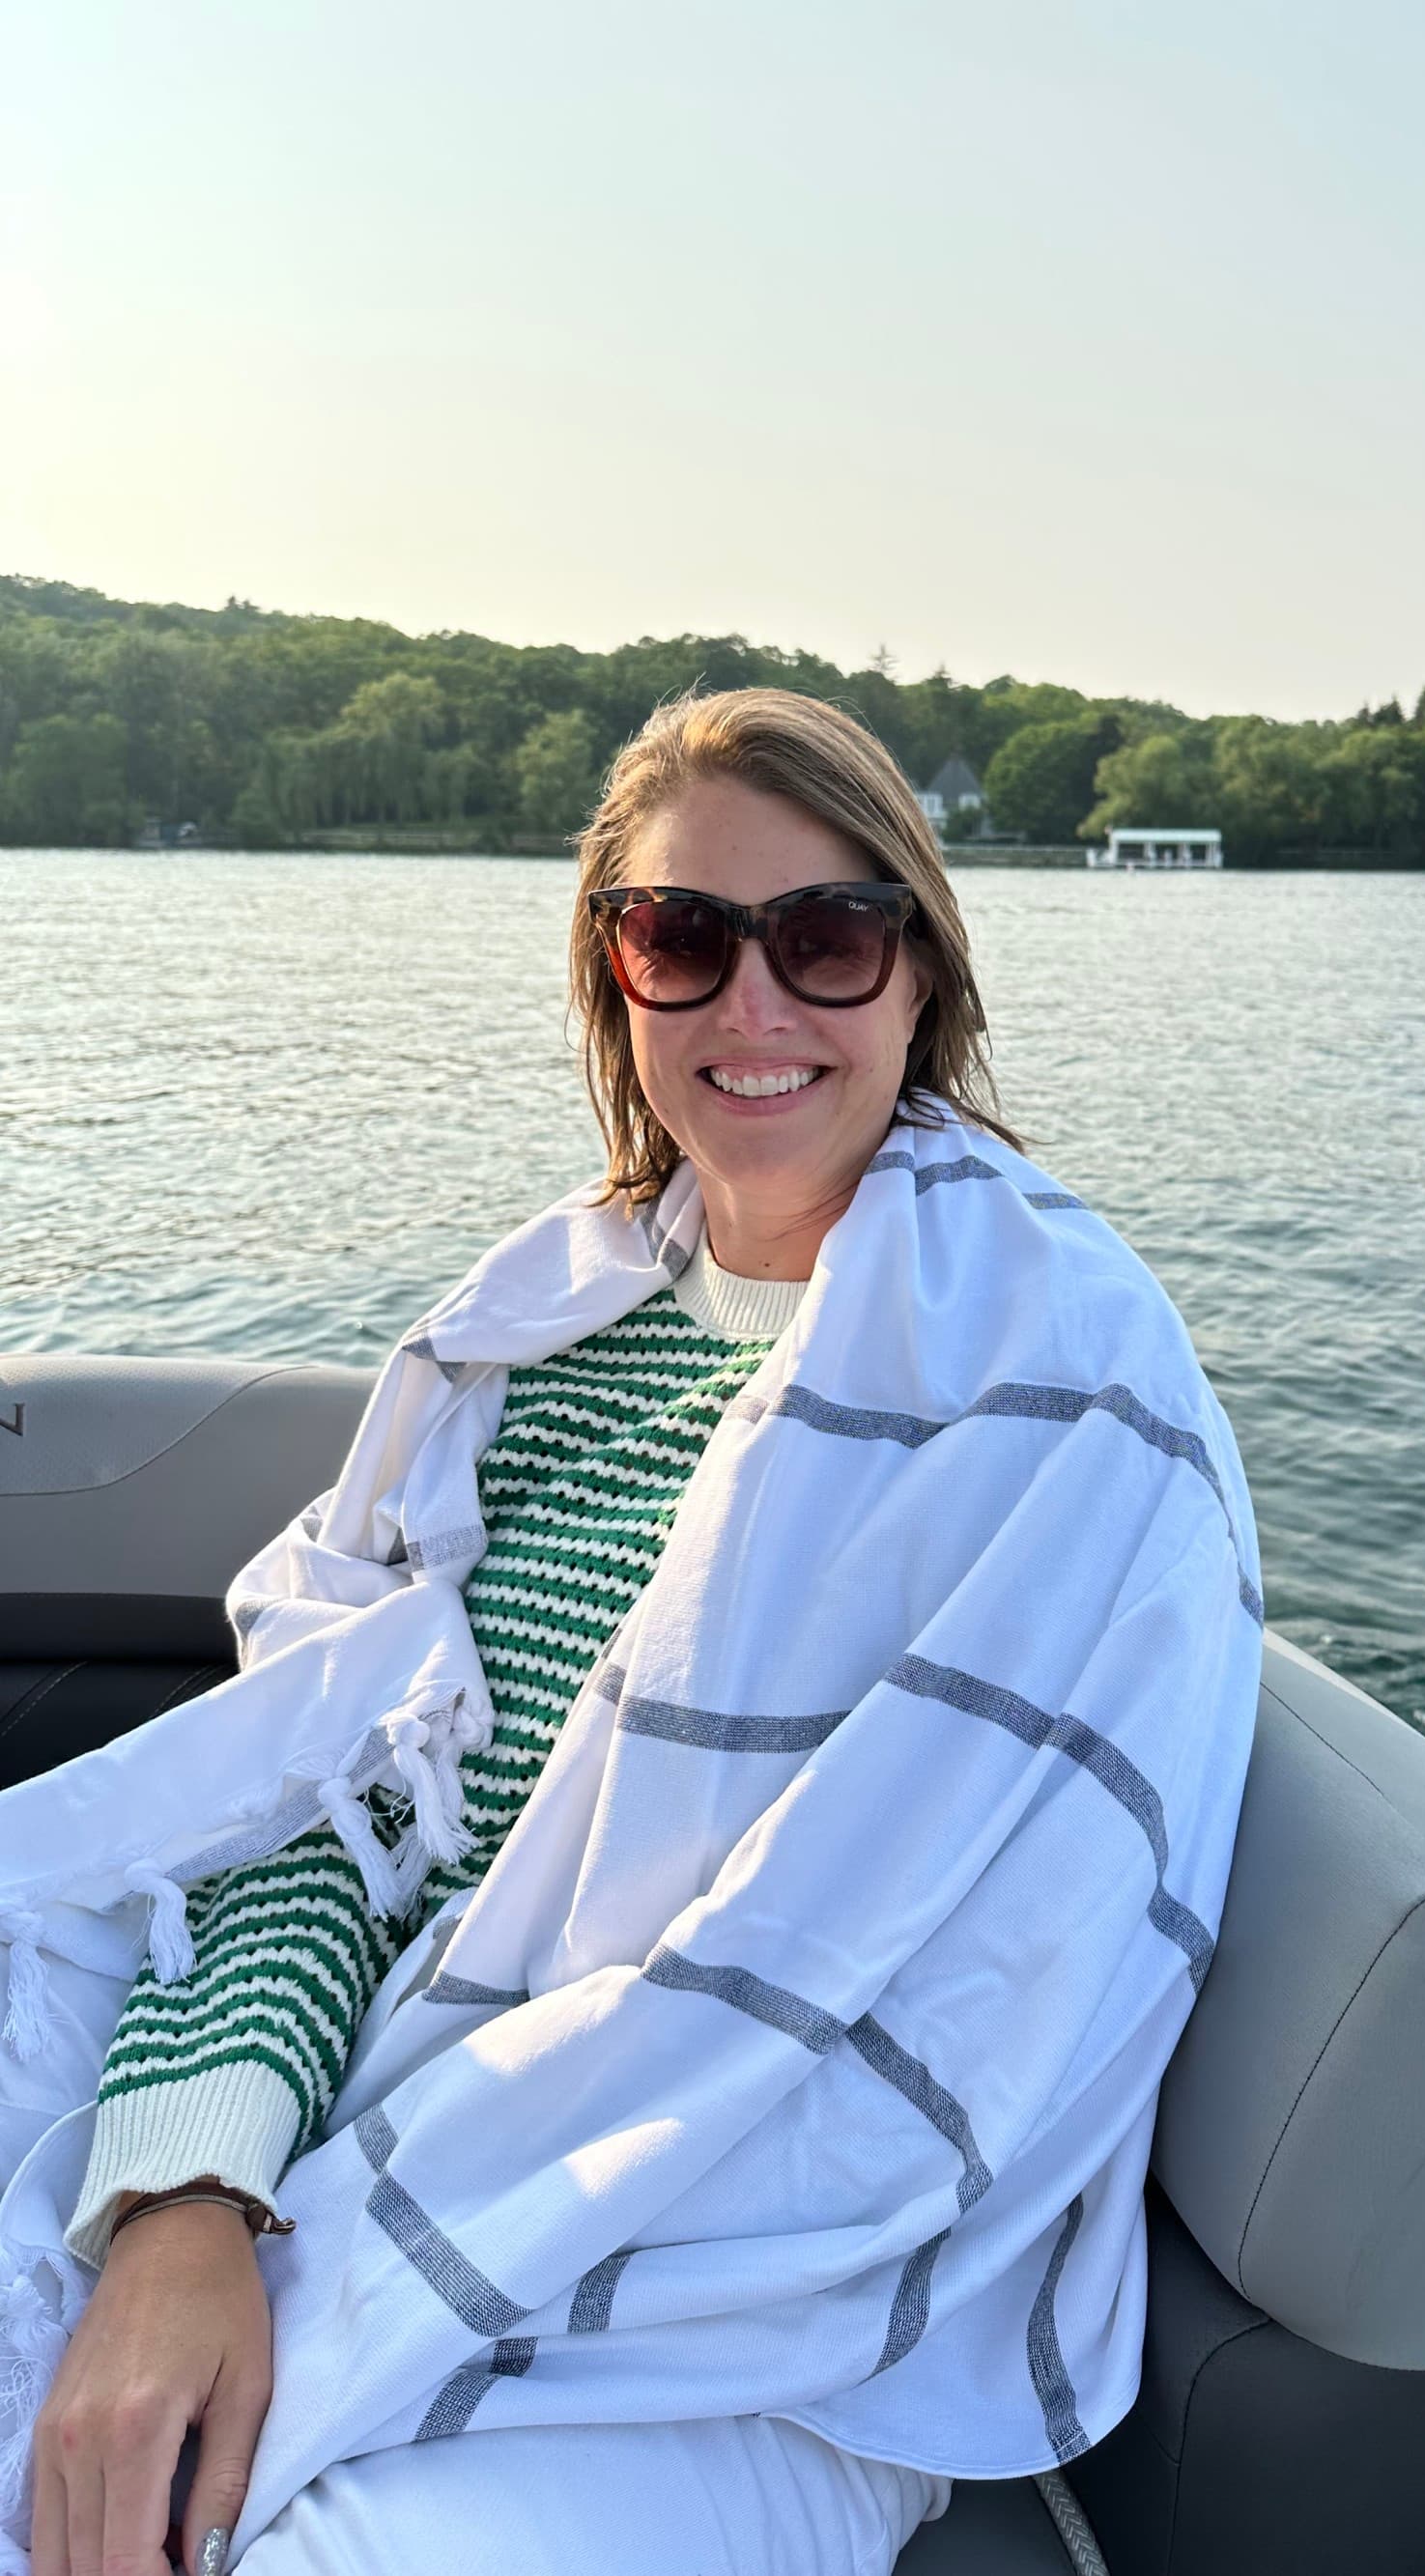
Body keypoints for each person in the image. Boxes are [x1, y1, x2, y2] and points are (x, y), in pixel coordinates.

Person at [0, 689, 1263, 2575]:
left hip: (755, 2322)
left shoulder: (1060, 1372)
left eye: (827, 938)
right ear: (619, 981)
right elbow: (313, 1820)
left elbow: (911, 2006)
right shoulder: (544, 1340)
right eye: (684, 938)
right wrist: (190, 2183)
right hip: (344, 2090)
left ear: (922, 972)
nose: (755, 1008)